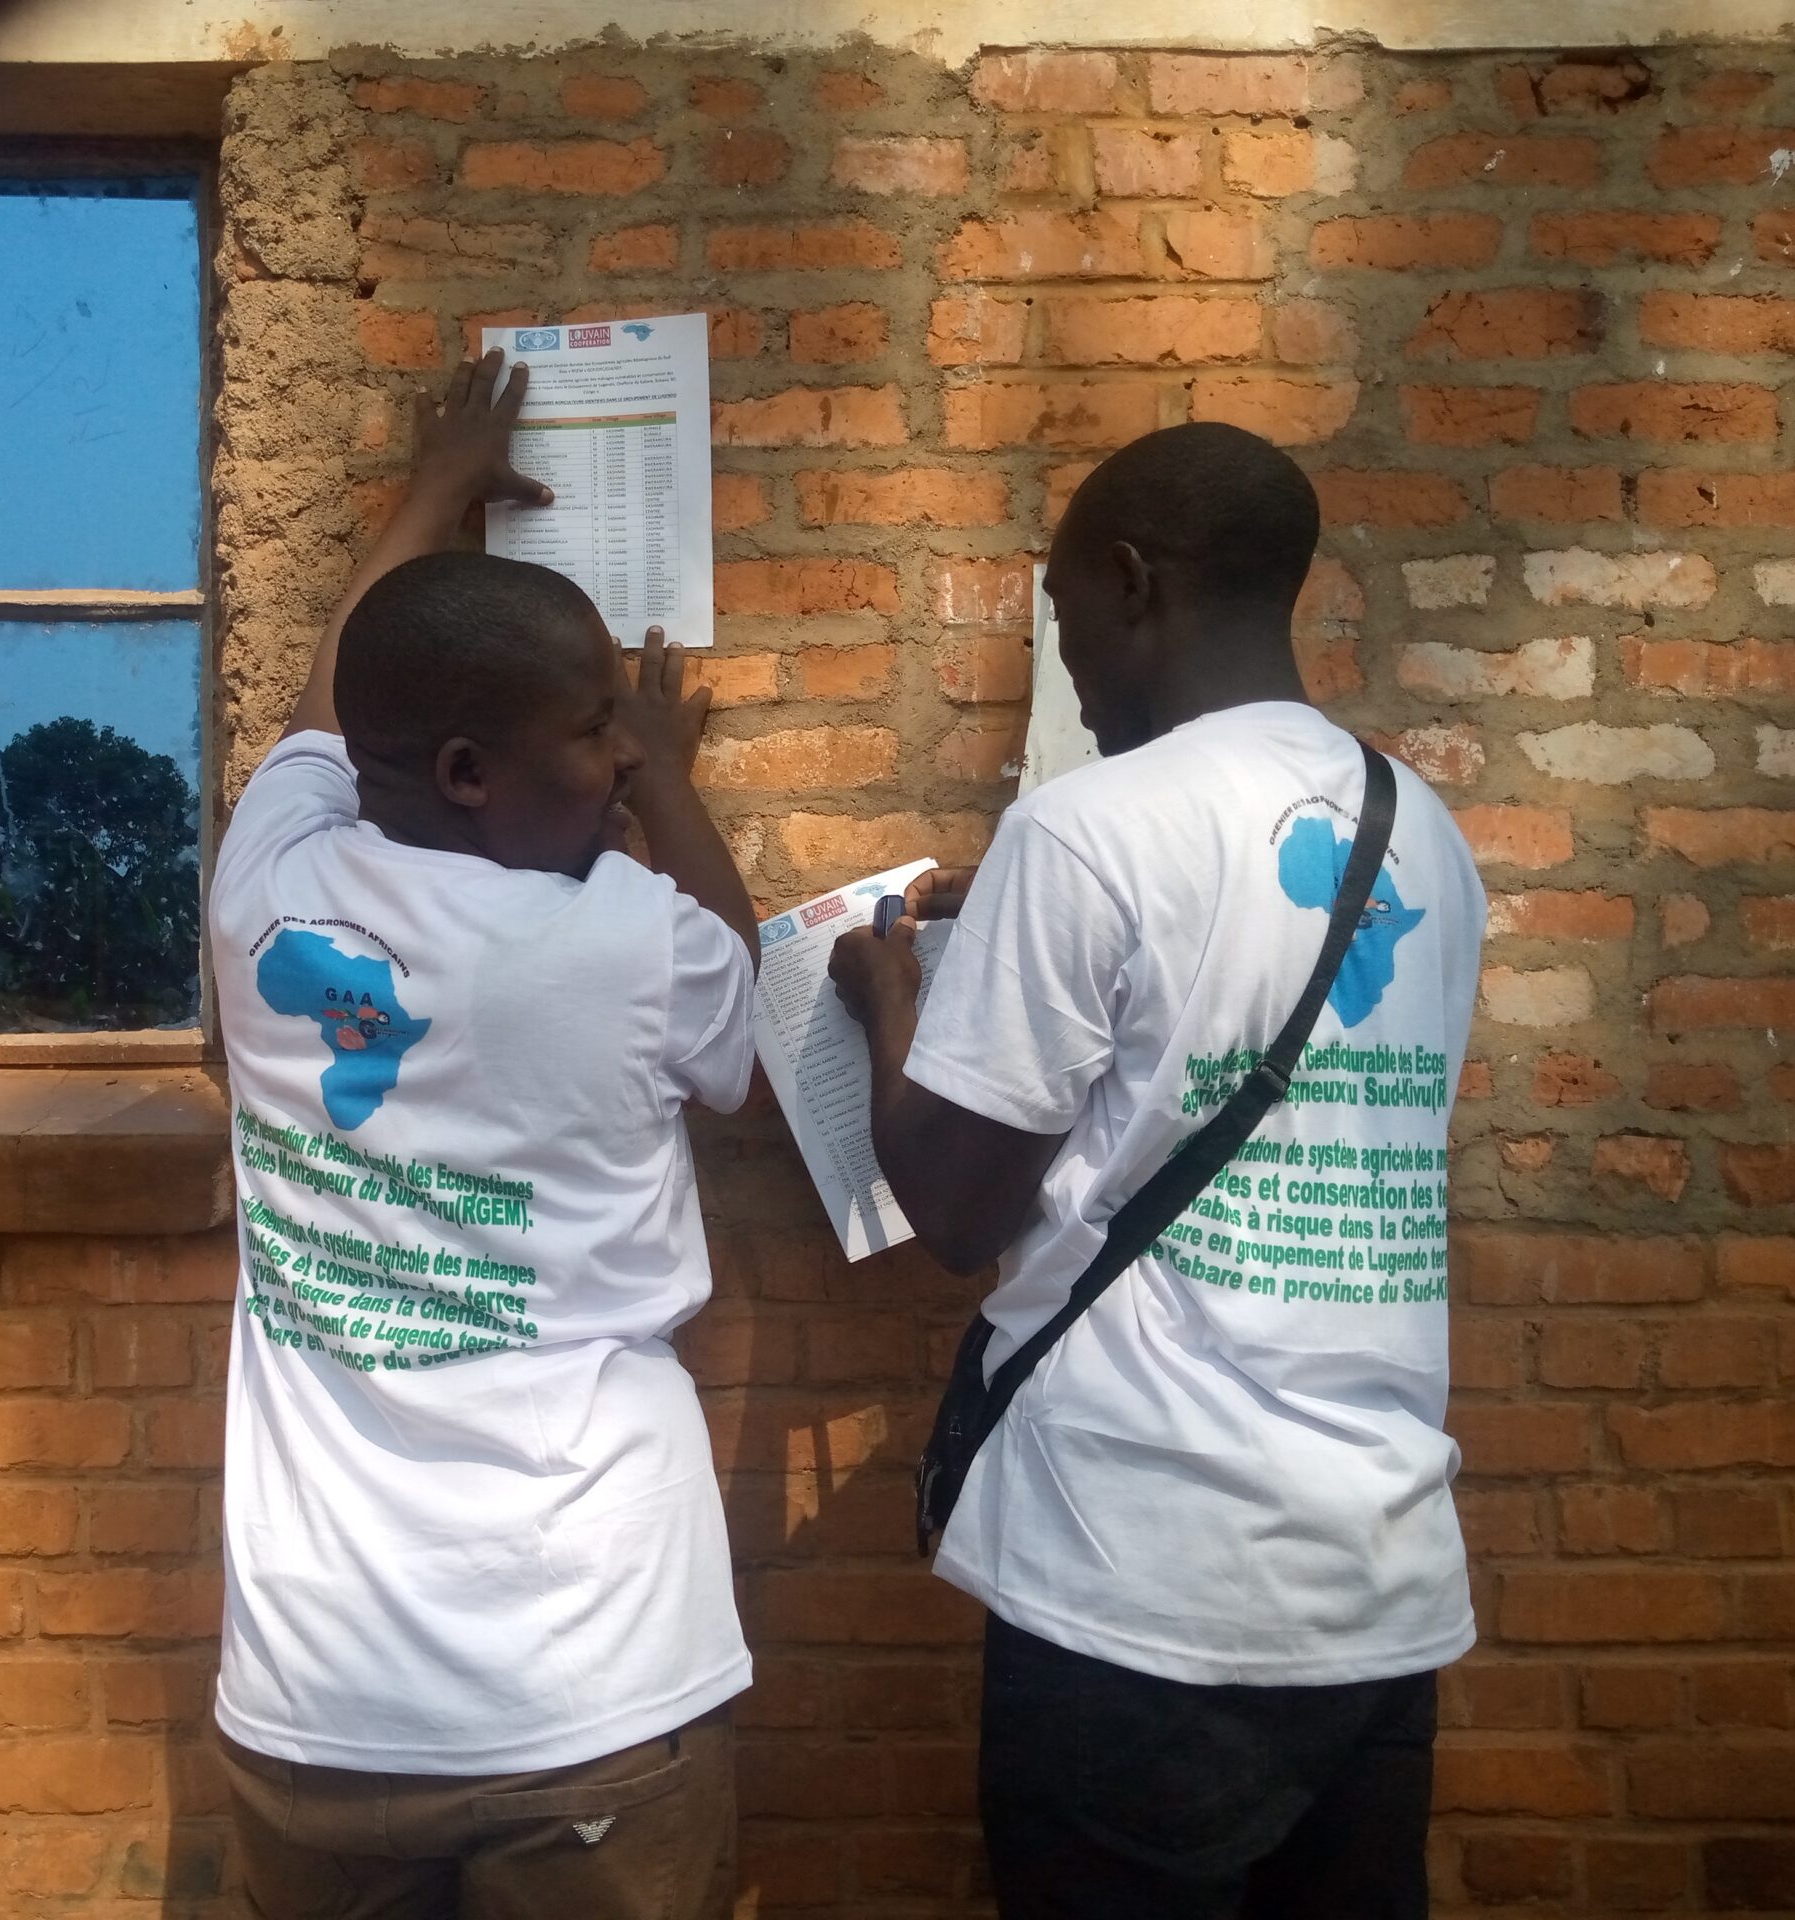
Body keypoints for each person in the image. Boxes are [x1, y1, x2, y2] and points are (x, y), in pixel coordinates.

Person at [829, 421, 1484, 1919]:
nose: (1070, 663)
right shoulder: (1422, 834)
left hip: (1139, 1581)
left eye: (1066, 616)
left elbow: (958, 1211)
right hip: (1377, 1577)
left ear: (1131, 584)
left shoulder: (1086, 828)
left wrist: (889, 1010)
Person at [206, 348, 760, 1919]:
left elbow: (328, 705)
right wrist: (673, 793)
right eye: (593, 731)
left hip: (315, 1708)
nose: (618, 752)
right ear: (468, 773)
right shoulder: (621, 941)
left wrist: (434, 492)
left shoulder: (264, 888)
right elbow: (745, 1001)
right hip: (591, 1690)